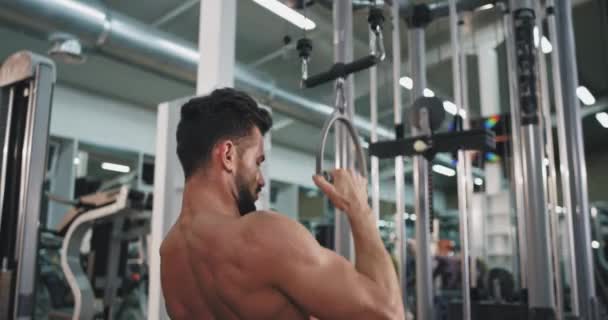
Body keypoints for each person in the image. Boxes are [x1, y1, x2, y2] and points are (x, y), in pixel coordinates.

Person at [160, 88, 404, 319]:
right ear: (228, 155)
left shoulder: (170, 255)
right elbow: (389, 314)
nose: (262, 179)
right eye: (257, 162)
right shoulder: (262, 234)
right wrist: (359, 209)